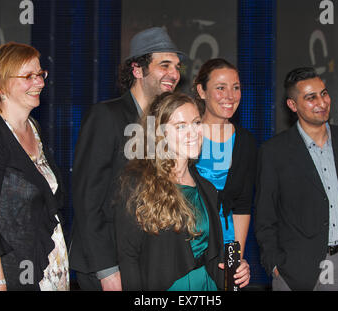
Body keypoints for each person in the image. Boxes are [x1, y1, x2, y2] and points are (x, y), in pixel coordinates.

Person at [69, 27, 183, 290]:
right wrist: (106, 270)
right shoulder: (105, 116)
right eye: (164, 65)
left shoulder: (166, 123)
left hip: (150, 262)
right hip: (109, 264)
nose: (174, 74)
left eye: (177, 67)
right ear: (137, 69)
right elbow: (87, 200)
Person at [254, 67, 338, 291]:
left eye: (323, 93)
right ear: (292, 105)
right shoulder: (273, 152)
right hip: (294, 267)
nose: (322, 103)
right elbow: (265, 215)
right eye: (311, 97)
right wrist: (274, 263)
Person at [115, 92, 250, 290]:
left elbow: (212, 254)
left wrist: (237, 271)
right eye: (181, 127)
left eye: (196, 123)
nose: (193, 133)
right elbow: (128, 257)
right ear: (160, 134)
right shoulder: (138, 184)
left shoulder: (207, 189)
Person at [0, 42, 69, 291]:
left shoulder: (33, 127)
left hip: (48, 265)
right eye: (28, 76)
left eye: (40, 74)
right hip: (12, 273)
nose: (40, 82)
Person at [193, 58, 257, 265]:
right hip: (187, 244)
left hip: (226, 245)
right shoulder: (185, 135)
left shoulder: (245, 141)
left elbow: (242, 206)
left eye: (236, 88)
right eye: (221, 88)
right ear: (201, 91)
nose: (230, 96)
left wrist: (235, 260)